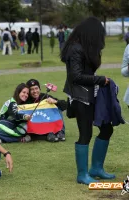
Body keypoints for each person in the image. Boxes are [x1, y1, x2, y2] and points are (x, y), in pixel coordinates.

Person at [61, 17, 115, 185]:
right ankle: (82, 174)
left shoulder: (84, 48)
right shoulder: (75, 49)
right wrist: (99, 79)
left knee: (106, 128)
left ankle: (96, 168)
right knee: (85, 134)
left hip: (92, 94)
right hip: (79, 97)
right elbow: (75, 77)